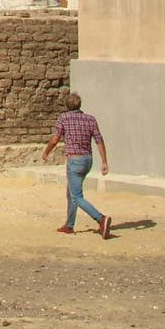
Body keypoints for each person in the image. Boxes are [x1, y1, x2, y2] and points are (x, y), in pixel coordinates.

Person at [41, 92, 112, 239]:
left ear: (67, 106)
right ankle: (69, 225)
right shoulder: (90, 119)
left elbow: (55, 139)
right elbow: (99, 140)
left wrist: (46, 152)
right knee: (71, 193)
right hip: (87, 160)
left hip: (74, 161)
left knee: (77, 196)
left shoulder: (64, 118)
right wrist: (104, 161)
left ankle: (101, 218)